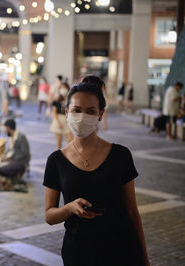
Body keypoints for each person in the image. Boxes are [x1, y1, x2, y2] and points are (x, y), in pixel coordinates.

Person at [43, 82, 149, 266]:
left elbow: (132, 212)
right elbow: (49, 216)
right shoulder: (56, 161)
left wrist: (144, 259)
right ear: (66, 111)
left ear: (100, 114)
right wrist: (70, 208)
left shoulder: (120, 155)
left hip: (121, 251)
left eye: (91, 111)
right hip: (78, 253)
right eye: (76, 110)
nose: (82, 117)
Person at [50, 82, 73, 149]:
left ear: (68, 89)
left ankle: (69, 157)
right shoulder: (56, 100)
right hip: (58, 120)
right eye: (62, 88)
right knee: (59, 144)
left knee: (70, 141)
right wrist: (58, 123)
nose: (63, 89)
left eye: (65, 88)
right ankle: (58, 158)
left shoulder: (70, 100)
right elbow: (54, 112)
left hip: (68, 121)